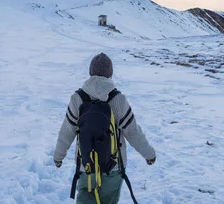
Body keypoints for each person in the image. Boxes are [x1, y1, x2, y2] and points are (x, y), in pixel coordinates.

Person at [54, 53, 156, 204]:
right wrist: (149, 154)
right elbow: (133, 132)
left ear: (90, 72)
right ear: (110, 74)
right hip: (113, 166)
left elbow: (66, 132)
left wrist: (58, 156)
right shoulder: (118, 99)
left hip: (86, 165)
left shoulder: (77, 98)